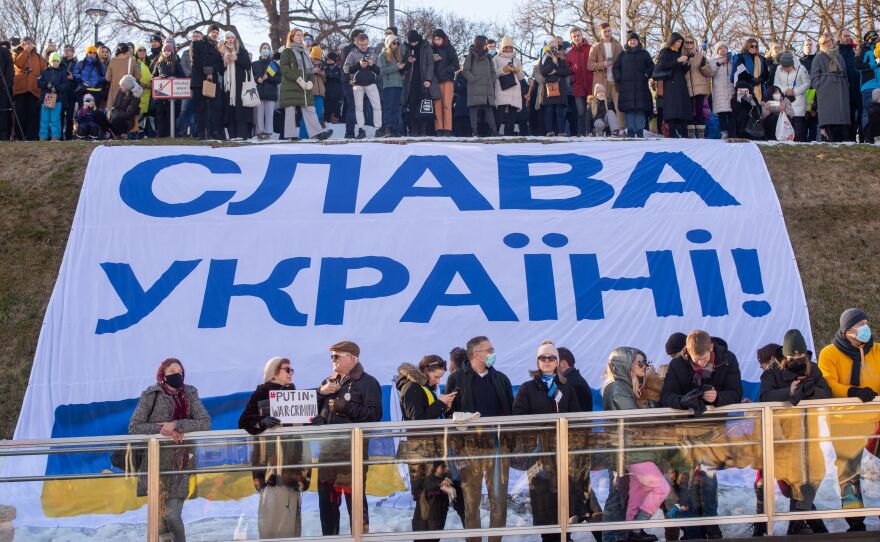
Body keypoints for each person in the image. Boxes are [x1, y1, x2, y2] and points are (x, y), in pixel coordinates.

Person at [660, 330, 743, 539]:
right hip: (685, 432)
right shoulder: (678, 364)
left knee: (707, 477)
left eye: (704, 359)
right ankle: (692, 529)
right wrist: (683, 401)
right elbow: (667, 396)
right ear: (687, 351)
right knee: (686, 481)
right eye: (696, 360)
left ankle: (711, 523)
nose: (700, 363)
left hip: (713, 430)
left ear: (711, 348)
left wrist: (718, 397)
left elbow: (736, 391)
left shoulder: (727, 360)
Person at [128, 358, 211, 542]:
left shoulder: (189, 393)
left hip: (180, 465)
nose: (178, 375)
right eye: (173, 372)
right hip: (155, 465)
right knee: (160, 521)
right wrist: (162, 429)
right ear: (163, 375)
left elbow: (205, 422)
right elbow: (134, 426)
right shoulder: (151, 394)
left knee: (172, 514)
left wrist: (176, 425)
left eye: (180, 372)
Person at [758, 330, 830, 536]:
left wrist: (810, 390)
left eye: (801, 357)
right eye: (793, 357)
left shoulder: (813, 369)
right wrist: (788, 392)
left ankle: (797, 525)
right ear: (785, 357)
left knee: (816, 473)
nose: (798, 360)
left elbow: (827, 393)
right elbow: (764, 397)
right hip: (783, 436)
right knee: (795, 483)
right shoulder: (772, 371)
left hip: (809, 433)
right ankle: (806, 527)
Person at [444, 335, 514, 542]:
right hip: (469, 448)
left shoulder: (501, 378)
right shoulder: (456, 379)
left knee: (499, 502)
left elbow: (510, 413)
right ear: (476, 354)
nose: (493, 353)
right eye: (489, 350)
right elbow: (449, 414)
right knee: (471, 503)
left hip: (497, 447)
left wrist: (509, 442)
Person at [818, 308, 880, 532]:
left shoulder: (878, 350)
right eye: (858, 325)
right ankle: (855, 523)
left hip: (875, 419)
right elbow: (829, 383)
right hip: (844, 421)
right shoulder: (829, 353)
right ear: (846, 331)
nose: (865, 329)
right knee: (849, 472)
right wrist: (853, 391)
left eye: (866, 323)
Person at [311, 341, 382, 535]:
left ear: (352, 358)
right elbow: (309, 412)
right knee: (327, 506)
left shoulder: (367, 382)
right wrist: (319, 396)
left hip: (353, 455)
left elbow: (374, 415)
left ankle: (360, 539)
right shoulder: (328, 382)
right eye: (331, 356)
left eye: (336, 356)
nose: (332, 360)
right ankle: (330, 540)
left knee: (356, 504)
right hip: (327, 455)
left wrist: (347, 407)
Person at [601, 347, 670, 542]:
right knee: (659, 488)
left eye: (646, 362)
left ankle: (633, 532)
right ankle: (624, 532)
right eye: (640, 363)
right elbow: (636, 418)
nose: (645, 366)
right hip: (627, 450)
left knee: (637, 492)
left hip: (632, 448)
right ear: (625, 364)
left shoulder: (625, 385)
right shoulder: (617, 387)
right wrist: (653, 405)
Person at [238, 357, 311, 539]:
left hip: (293, 463)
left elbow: (302, 427)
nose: (291, 373)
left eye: (292, 370)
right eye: (287, 369)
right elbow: (244, 421)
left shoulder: (293, 393)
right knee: (272, 514)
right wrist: (261, 422)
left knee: (291, 513)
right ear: (274, 371)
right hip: (271, 465)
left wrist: (313, 420)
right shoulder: (262, 392)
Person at [512, 340, 577, 542]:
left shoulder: (566, 388)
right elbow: (518, 418)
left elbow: (576, 417)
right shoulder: (527, 388)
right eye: (543, 358)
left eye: (551, 358)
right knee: (542, 499)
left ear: (558, 361)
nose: (547, 361)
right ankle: (548, 538)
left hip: (563, 452)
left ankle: (567, 535)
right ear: (537, 362)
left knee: (565, 497)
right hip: (539, 454)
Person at [396, 355, 457, 537]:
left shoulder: (423, 388)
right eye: (435, 377)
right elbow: (418, 421)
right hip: (421, 454)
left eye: (440, 378)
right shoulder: (412, 388)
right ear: (425, 371)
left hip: (430, 451)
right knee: (427, 502)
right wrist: (440, 404)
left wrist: (444, 409)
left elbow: (427, 416)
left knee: (436, 503)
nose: (437, 381)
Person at [280, 29, 332, 141]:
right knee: (290, 110)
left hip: (305, 86)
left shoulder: (305, 53)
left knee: (310, 108)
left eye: (301, 35)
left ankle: (317, 133)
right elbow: (285, 69)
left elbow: (310, 70)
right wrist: (299, 78)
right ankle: (291, 135)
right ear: (292, 37)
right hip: (291, 85)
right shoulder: (287, 52)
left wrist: (310, 80)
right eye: (298, 35)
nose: (300, 37)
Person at [811, 32, 851, 142]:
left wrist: (845, 86)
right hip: (827, 96)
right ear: (821, 45)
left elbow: (845, 74)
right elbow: (814, 78)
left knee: (843, 130)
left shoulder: (839, 56)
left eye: (829, 41)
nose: (828, 44)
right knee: (831, 128)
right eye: (824, 42)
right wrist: (822, 87)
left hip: (841, 95)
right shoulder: (818, 58)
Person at [612, 32, 653, 137]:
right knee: (629, 111)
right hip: (626, 88)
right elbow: (615, 68)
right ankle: (630, 131)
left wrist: (646, 74)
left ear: (638, 41)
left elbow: (651, 66)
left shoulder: (645, 53)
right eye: (630, 40)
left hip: (641, 87)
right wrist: (619, 77)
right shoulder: (622, 55)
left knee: (639, 110)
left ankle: (639, 131)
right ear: (628, 42)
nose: (632, 42)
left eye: (634, 40)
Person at [343, 33, 381, 139]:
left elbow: (380, 71)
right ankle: (361, 130)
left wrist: (371, 65)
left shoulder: (373, 54)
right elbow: (346, 69)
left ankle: (378, 129)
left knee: (377, 107)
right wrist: (358, 65)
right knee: (358, 108)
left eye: (365, 44)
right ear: (357, 43)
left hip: (371, 83)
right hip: (357, 84)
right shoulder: (352, 54)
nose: (364, 47)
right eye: (361, 45)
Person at [402, 30, 439, 137]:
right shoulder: (406, 48)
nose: (413, 44)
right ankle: (413, 129)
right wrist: (408, 62)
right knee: (412, 105)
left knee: (423, 105)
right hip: (411, 82)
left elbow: (430, 64)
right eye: (411, 43)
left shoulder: (425, 46)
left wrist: (428, 79)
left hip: (423, 81)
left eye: (415, 42)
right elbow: (404, 66)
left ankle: (423, 129)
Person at [191, 25, 225, 140]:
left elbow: (220, 67)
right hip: (200, 80)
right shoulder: (200, 43)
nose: (215, 34)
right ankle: (202, 132)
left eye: (217, 32)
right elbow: (196, 60)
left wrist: (214, 68)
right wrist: (206, 70)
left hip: (213, 81)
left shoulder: (218, 48)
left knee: (215, 107)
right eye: (213, 32)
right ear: (208, 33)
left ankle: (214, 131)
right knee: (201, 108)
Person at [589, 23, 624, 131]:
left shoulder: (618, 46)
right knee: (602, 107)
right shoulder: (595, 47)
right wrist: (602, 64)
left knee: (619, 107)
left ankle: (620, 129)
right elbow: (589, 65)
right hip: (601, 82)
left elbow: (624, 63)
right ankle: (602, 130)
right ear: (601, 33)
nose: (607, 33)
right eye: (605, 31)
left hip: (615, 81)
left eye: (609, 31)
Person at [217, 32, 252, 140]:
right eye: (228, 38)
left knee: (241, 111)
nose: (230, 39)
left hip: (240, 86)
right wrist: (224, 63)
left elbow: (247, 64)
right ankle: (232, 135)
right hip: (228, 87)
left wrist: (237, 58)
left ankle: (242, 135)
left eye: (232, 37)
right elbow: (220, 70)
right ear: (225, 40)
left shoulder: (242, 51)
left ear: (235, 39)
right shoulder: (222, 52)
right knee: (230, 111)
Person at [655, 33, 691, 138]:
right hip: (670, 84)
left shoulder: (679, 53)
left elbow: (681, 70)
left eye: (681, 42)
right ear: (672, 40)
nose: (679, 44)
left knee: (682, 109)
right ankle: (672, 133)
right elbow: (662, 65)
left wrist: (687, 65)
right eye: (678, 41)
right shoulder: (665, 51)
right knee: (672, 111)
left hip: (680, 83)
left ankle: (684, 133)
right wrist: (677, 60)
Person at [462, 35, 498, 137]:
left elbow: (493, 71)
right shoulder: (471, 56)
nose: (487, 45)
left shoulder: (488, 57)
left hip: (487, 86)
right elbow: (465, 70)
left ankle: (494, 131)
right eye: (485, 43)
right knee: (474, 109)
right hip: (475, 86)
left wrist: (492, 81)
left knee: (489, 109)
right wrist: (473, 79)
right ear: (480, 43)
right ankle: (474, 131)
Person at [12, 37, 46, 140]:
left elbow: (45, 70)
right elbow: (18, 64)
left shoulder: (38, 57)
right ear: (22, 44)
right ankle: (19, 136)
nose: (29, 44)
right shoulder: (16, 53)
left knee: (32, 114)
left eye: (31, 43)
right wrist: (26, 51)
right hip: (20, 89)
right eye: (26, 43)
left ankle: (31, 137)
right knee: (19, 113)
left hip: (34, 90)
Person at [772, 52, 810, 140]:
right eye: (784, 68)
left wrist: (795, 91)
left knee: (798, 130)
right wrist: (785, 91)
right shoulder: (778, 69)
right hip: (785, 103)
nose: (786, 69)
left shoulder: (801, 68)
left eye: (788, 67)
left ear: (792, 64)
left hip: (798, 103)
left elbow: (807, 83)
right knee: (786, 129)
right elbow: (776, 84)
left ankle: (797, 145)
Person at [151, 43, 185, 138]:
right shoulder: (158, 63)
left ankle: (172, 132)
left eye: (168, 50)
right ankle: (161, 133)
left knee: (173, 113)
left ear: (172, 51)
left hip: (173, 93)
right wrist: (158, 78)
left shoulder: (176, 63)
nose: (166, 52)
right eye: (165, 50)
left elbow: (183, 76)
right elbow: (153, 76)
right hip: (161, 91)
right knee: (160, 113)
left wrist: (174, 78)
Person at [493, 36, 523, 136]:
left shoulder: (516, 60)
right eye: (506, 47)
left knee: (513, 112)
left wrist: (517, 70)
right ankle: (496, 132)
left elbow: (521, 77)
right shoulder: (496, 58)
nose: (509, 49)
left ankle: (510, 132)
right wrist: (503, 70)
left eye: (510, 47)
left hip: (514, 88)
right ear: (502, 47)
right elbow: (493, 73)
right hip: (502, 87)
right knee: (500, 111)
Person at [682, 36, 711, 138]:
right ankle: (690, 132)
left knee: (699, 110)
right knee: (689, 110)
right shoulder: (681, 56)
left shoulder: (700, 56)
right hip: (686, 87)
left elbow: (709, 72)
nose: (689, 45)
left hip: (699, 87)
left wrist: (703, 66)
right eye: (687, 42)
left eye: (691, 42)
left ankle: (700, 132)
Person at [432, 29, 459, 136]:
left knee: (447, 104)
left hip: (447, 80)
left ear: (443, 39)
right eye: (435, 39)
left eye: (438, 39)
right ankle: (439, 128)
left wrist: (447, 69)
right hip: (435, 80)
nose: (436, 41)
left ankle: (448, 129)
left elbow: (456, 65)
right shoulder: (431, 49)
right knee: (437, 104)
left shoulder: (450, 49)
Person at [566, 27, 593, 136]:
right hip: (578, 86)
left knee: (592, 111)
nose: (577, 38)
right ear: (571, 38)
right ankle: (581, 133)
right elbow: (567, 70)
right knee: (581, 112)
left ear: (582, 35)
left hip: (591, 84)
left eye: (578, 35)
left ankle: (591, 132)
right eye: (574, 36)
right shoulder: (569, 54)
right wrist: (573, 73)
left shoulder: (591, 48)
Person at [540, 39, 570, 136]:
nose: (554, 49)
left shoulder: (562, 58)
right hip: (549, 88)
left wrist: (556, 71)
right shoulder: (545, 58)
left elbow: (566, 71)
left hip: (560, 88)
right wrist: (553, 63)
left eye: (556, 47)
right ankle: (549, 131)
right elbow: (544, 72)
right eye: (552, 46)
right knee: (548, 111)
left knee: (560, 111)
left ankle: (561, 131)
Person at [252, 42, 281, 139]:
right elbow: (251, 77)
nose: (266, 49)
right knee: (259, 115)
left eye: (268, 48)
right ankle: (259, 132)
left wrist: (268, 78)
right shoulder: (254, 64)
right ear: (260, 50)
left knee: (269, 115)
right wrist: (257, 79)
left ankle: (268, 132)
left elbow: (278, 79)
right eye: (264, 48)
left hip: (271, 93)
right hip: (258, 93)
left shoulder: (274, 65)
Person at [340, 29, 365, 138]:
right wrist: (349, 79)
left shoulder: (363, 50)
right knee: (352, 106)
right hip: (350, 82)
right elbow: (345, 66)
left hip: (361, 82)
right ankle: (349, 133)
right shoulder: (348, 49)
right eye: (360, 36)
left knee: (359, 107)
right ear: (355, 38)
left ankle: (360, 131)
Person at [377, 34, 405, 137]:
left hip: (398, 85)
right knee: (388, 107)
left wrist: (402, 67)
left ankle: (394, 129)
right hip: (388, 85)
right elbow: (383, 70)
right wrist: (397, 67)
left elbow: (398, 70)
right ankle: (387, 129)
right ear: (389, 43)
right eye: (394, 43)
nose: (396, 45)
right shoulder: (383, 55)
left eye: (397, 43)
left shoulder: (397, 55)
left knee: (396, 108)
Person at [837, 29, 862, 140]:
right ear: (840, 37)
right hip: (843, 90)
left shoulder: (854, 52)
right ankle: (847, 140)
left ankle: (859, 140)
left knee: (858, 116)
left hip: (856, 88)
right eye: (845, 35)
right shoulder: (837, 52)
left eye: (849, 36)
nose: (848, 37)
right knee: (847, 117)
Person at [855, 31, 880, 140]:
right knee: (868, 111)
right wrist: (875, 63)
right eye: (872, 37)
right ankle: (868, 138)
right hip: (868, 86)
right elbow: (858, 65)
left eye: (876, 36)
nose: (874, 38)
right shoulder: (862, 49)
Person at [105, 43, 141, 118]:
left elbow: (107, 78)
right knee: (126, 115)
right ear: (127, 50)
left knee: (113, 115)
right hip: (127, 92)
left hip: (114, 91)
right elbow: (139, 76)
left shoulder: (112, 61)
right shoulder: (132, 60)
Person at [37, 52, 66, 141]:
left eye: (57, 61)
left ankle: (55, 136)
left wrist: (56, 87)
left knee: (55, 118)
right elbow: (39, 82)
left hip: (57, 99)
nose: (55, 63)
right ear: (50, 61)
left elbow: (65, 85)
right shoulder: (45, 72)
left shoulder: (62, 72)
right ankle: (43, 136)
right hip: (46, 98)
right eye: (53, 61)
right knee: (44, 118)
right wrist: (47, 85)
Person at [300, 45, 326, 139]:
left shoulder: (320, 66)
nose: (316, 60)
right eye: (314, 58)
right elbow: (302, 76)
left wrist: (321, 73)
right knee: (307, 116)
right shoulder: (306, 64)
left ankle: (316, 134)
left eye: (318, 58)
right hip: (309, 93)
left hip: (320, 94)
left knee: (318, 114)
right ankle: (303, 136)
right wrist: (312, 71)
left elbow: (324, 80)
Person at [709, 43, 735, 137]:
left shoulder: (732, 60)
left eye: (725, 48)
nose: (723, 50)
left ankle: (732, 132)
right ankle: (724, 132)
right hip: (719, 90)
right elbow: (710, 73)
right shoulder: (713, 60)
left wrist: (731, 61)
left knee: (732, 112)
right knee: (722, 113)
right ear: (717, 50)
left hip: (731, 89)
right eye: (721, 48)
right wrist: (719, 63)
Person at [557, 347, 593, 411]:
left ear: (563, 364)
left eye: (554, 362)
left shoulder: (574, 385)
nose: (550, 365)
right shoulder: (574, 380)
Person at [730, 74, 764, 139]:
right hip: (738, 122)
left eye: (745, 90)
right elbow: (735, 111)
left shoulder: (752, 97)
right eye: (741, 90)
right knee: (740, 116)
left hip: (751, 121)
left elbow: (758, 109)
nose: (743, 92)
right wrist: (739, 99)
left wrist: (751, 100)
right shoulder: (734, 98)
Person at [133, 45, 153, 137]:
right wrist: (140, 83)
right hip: (139, 91)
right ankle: (138, 131)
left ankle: (149, 132)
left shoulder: (150, 62)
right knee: (139, 112)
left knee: (148, 113)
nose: (142, 52)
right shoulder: (134, 62)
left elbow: (155, 74)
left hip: (149, 92)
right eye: (140, 50)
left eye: (144, 50)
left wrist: (151, 83)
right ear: (136, 52)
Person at [322, 51, 343, 123]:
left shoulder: (338, 69)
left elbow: (341, 78)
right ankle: (327, 120)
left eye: (331, 59)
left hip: (337, 92)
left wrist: (333, 75)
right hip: (327, 92)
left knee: (337, 108)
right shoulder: (324, 68)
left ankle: (336, 119)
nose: (329, 61)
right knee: (327, 108)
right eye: (328, 59)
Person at [1, 41, 16, 141]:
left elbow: (10, 69)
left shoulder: (4, 52)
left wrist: (6, 83)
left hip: (3, 87)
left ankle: (4, 136)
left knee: (4, 112)